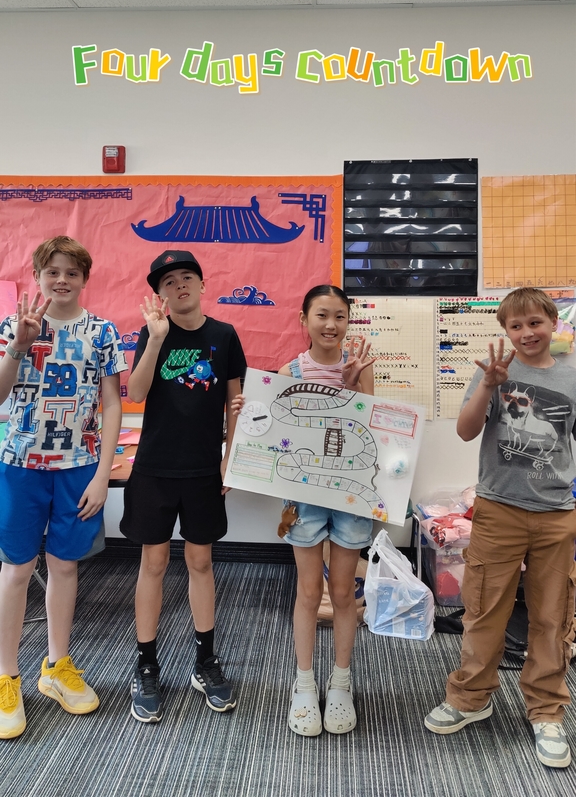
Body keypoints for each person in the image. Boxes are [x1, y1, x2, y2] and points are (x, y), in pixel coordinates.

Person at [425, 287, 576, 770]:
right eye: (516, 326)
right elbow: (466, 431)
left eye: (535, 322)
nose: (527, 333)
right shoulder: (493, 372)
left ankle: (547, 709)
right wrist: (489, 386)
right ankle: (471, 697)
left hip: (555, 515)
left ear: (553, 321)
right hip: (498, 509)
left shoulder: (573, 374)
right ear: (504, 331)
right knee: (483, 610)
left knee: (553, 617)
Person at [233, 284, 375, 736]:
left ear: (348, 322)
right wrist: (247, 409)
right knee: (309, 592)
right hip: (305, 498)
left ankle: (341, 682)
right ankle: (303, 683)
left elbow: (370, 431)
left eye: (339, 316)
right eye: (322, 315)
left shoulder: (360, 367)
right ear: (303, 319)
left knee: (345, 592)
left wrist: (354, 389)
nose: (331, 325)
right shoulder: (289, 370)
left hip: (351, 497)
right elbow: (275, 431)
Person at [0, 236, 126, 739]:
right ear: (37, 276)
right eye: (52, 271)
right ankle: (7, 676)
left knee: (65, 566)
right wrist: (18, 347)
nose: (61, 280)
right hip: (21, 464)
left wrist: (102, 472)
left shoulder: (102, 332)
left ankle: (55, 667)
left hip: (79, 466)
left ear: (84, 278)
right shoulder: (18, 325)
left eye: (71, 272)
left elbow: (113, 403)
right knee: (15, 569)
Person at [121, 249, 246, 724]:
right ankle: (146, 664)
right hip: (154, 466)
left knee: (200, 561)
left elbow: (237, 405)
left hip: (201, 470)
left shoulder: (225, 336)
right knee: (152, 562)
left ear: (202, 284)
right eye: (169, 281)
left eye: (187, 277)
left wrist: (229, 463)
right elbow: (134, 393)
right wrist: (155, 341)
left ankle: (204, 661)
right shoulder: (152, 334)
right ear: (160, 294)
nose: (179, 286)